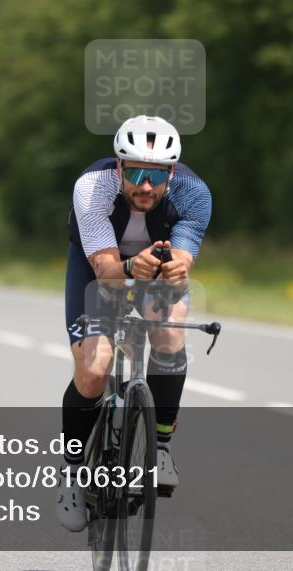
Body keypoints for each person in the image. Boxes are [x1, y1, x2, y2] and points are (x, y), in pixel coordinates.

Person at [56, 115, 212, 531]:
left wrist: (176, 270)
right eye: (136, 172)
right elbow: (106, 268)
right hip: (98, 267)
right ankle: (72, 472)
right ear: (119, 167)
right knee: (92, 370)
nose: (145, 185)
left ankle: (160, 445)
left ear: (172, 173)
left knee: (169, 331)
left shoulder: (194, 194)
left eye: (156, 174)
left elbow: (183, 259)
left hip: (152, 270)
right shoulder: (92, 187)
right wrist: (129, 266)